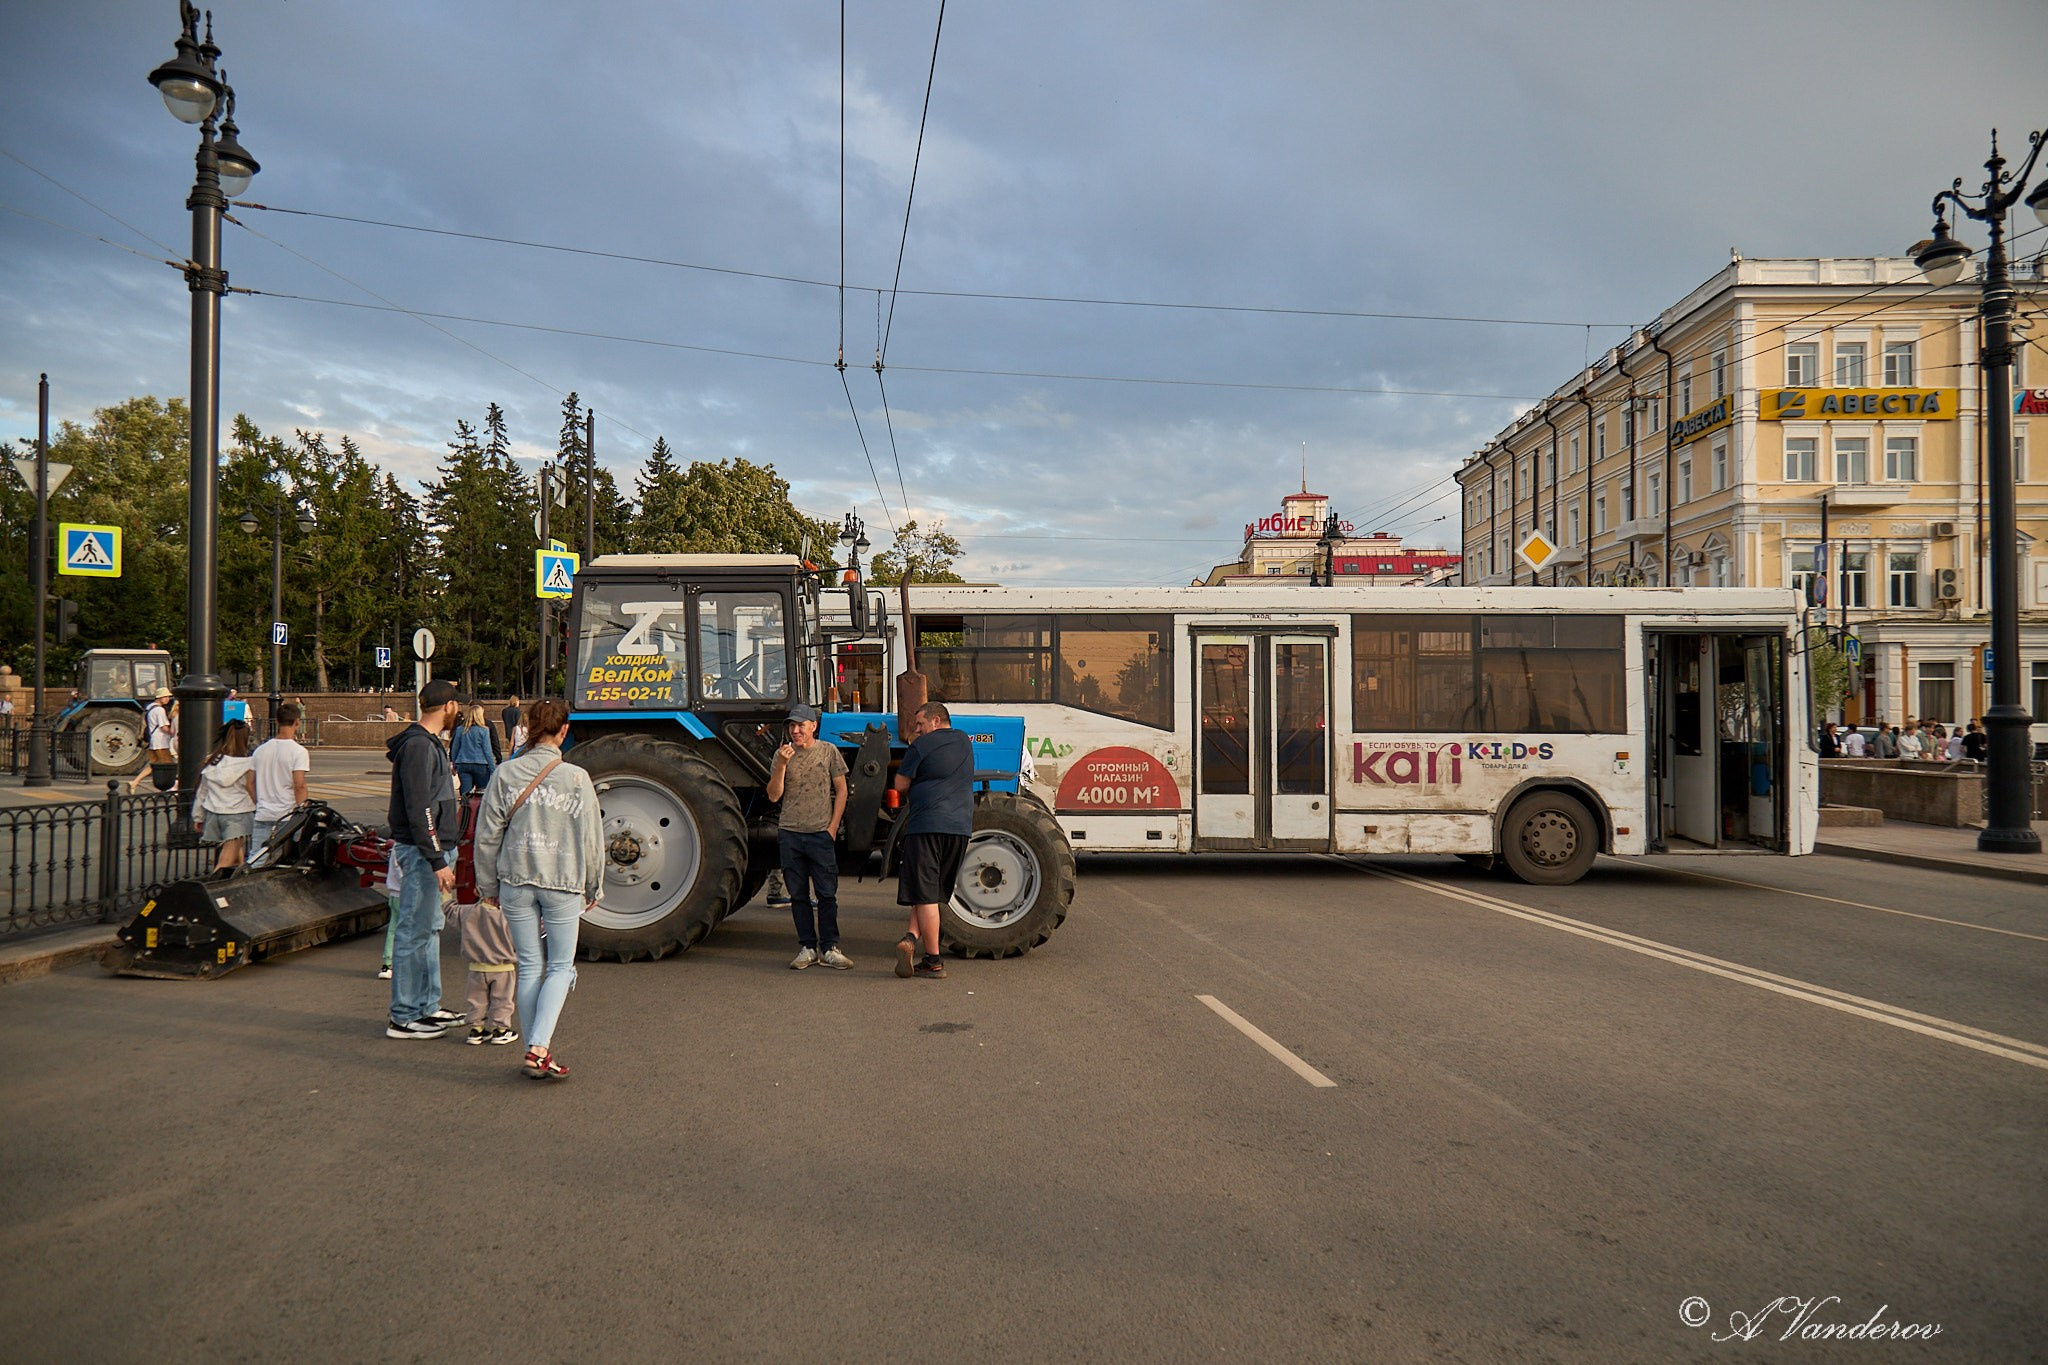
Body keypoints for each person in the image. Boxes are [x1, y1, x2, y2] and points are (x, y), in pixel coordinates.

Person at [474, 698, 603, 1081]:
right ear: (564, 731)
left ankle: (535, 1048)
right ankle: (539, 1047)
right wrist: (594, 884)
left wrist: (486, 885)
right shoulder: (577, 779)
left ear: (528, 727)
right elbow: (592, 839)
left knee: (529, 965)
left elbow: (487, 835)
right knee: (561, 966)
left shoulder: (504, 774)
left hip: (515, 879)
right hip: (562, 880)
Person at [383, 679, 467, 1040]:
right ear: (447, 706)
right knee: (415, 932)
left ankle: (427, 1007)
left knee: (429, 929)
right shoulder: (419, 746)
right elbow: (421, 808)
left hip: (429, 850)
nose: (459, 711)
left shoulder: (424, 743)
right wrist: (436, 858)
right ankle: (404, 1015)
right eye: (457, 706)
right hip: (422, 853)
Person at [891, 701, 976, 981]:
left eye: (920, 724)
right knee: (931, 891)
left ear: (936, 721)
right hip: (960, 828)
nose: (916, 729)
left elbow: (901, 784)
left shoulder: (921, 745)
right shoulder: (964, 741)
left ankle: (934, 961)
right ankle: (910, 938)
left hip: (927, 826)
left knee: (926, 895)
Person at [767, 703, 851, 970]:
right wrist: (781, 765)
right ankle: (807, 947)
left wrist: (833, 827)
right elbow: (773, 795)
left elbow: (842, 790)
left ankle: (830, 947)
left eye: (801, 725)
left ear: (813, 726)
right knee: (798, 895)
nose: (795, 731)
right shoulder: (782, 755)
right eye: (792, 726)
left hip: (820, 833)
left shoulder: (828, 751)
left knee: (827, 894)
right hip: (790, 832)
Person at [449, 893, 520, 1047]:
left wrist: (446, 890)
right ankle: (500, 1030)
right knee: (502, 1000)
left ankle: (476, 1029)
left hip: (476, 968)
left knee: (476, 1000)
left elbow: (448, 909)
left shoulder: (467, 912)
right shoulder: (508, 916)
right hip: (503, 968)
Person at [192, 719, 257, 874]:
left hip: (215, 813)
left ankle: (241, 876)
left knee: (236, 850)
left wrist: (198, 817)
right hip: (238, 813)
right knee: (226, 859)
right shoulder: (248, 763)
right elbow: (252, 786)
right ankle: (211, 886)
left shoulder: (213, 761)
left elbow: (202, 792)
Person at [249, 702, 311, 854]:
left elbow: (249, 783)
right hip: (287, 816)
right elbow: (299, 786)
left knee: (257, 857)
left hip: (263, 813)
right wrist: (301, 809)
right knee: (286, 858)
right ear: (297, 722)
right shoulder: (298, 752)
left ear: (276, 721)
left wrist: (259, 803)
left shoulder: (260, 750)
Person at [130, 689, 178, 793]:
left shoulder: (150, 708)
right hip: (161, 742)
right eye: (166, 697)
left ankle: (134, 782)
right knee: (168, 765)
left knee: (154, 765)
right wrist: (174, 733)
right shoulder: (160, 710)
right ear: (160, 698)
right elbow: (164, 727)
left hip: (153, 741)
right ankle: (170, 787)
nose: (168, 699)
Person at [450, 704, 500, 798]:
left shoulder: (460, 729)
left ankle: (465, 810)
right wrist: (493, 768)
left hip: (463, 763)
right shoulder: (484, 730)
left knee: (465, 793)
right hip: (480, 764)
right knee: (481, 793)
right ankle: (477, 811)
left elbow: (455, 748)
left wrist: (454, 763)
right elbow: (487, 750)